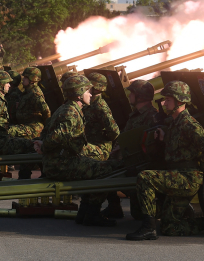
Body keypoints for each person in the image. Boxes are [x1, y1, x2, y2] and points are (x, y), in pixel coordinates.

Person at [126, 81, 204, 241]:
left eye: (168, 99)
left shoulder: (190, 125)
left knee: (145, 177)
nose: (164, 102)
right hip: (176, 176)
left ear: (179, 101)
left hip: (186, 178)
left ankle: (148, 228)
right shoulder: (174, 123)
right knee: (170, 228)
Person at [34, 74, 118, 227]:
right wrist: (44, 146)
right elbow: (56, 137)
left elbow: (47, 132)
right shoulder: (71, 112)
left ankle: (84, 213)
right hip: (61, 164)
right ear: (79, 94)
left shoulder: (65, 108)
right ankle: (92, 213)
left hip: (59, 161)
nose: (90, 94)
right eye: (87, 91)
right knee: (106, 170)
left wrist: (42, 144)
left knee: (93, 167)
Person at [102, 79, 161, 219]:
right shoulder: (135, 115)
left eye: (132, 93)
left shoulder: (153, 117)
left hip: (141, 164)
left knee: (138, 215)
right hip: (130, 160)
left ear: (140, 96)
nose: (129, 96)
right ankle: (114, 206)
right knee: (104, 167)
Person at [81, 72, 120, 162]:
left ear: (97, 89)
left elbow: (114, 131)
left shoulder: (100, 106)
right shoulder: (88, 103)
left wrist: (102, 138)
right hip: (89, 146)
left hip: (100, 148)